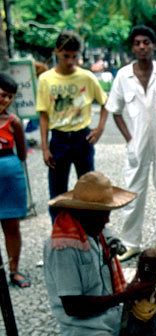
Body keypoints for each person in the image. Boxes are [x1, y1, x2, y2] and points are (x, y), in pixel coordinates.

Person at [44, 172, 156, 336]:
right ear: (84, 213)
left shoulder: (94, 230)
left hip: (109, 316)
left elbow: (109, 249)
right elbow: (74, 307)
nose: (107, 219)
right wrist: (125, 296)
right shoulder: (64, 247)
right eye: (102, 214)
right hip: (85, 328)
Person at [106, 25, 156, 263]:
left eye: (146, 42)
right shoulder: (123, 75)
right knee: (133, 194)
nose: (142, 46)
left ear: (153, 45)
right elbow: (115, 110)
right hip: (137, 147)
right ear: (132, 47)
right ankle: (130, 242)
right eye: (137, 43)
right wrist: (129, 138)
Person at [37, 31, 108, 220]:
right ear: (56, 52)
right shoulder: (46, 79)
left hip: (82, 138)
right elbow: (43, 113)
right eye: (65, 55)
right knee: (58, 192)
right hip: (59, 139)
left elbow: (105, 103)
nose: (70, 61)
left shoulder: (86, 77)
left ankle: (91, 233)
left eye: (74, 56)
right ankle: (59, 235)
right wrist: (44, 147)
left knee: (89, 189)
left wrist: (99, 128)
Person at [0, 73, 30, 288]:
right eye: (2, 95)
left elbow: (22, 154)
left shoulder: (14, 122)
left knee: (12, 226)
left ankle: (14, 270)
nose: (5, 100)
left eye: (9, 97)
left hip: (10, 178)